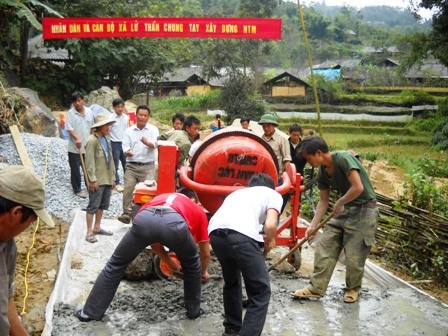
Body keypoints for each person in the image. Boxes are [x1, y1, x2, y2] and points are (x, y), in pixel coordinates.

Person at [75, 188, 211, 322]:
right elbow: (205, 253)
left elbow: (155, 244)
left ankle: (89, 313)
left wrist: (172, 265)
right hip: (175, 225)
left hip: (145, 218)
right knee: (192, 266)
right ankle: (194, 312)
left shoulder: (160, 198)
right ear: (193, 200)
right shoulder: (196, 209)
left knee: (116, 264)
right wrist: (202, 272)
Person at [290, 136, 378, 303]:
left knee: (354, 253)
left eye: (309, 158)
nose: (308, 163)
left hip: (364, 210)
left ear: (318, 152)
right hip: (344, 210)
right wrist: (312, 226)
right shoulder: (322, 171)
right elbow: (323, 201)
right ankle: (316, 288)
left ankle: (352, 288)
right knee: (325, 244)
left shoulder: (343, 158)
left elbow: (358, 187)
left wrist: (340, 202)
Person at [208, 173, 281, 336]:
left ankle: (231, 329)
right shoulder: (273, 194)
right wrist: (271, 238)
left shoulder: (237, 193)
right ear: (271, 187)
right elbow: (270, 225)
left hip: (215, 235)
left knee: (232, 282)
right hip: (241, 237)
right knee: (261, 291)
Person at [0, 165, 55, 335]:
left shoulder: (7, 246)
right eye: (31, 222)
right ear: (16, 213)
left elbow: (6, 301)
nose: (28, 228)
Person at [118, 105, 159, 224]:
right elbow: (125, 146)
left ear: (148, 117)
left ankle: (146, 215)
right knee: (128, 189)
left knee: (147, 192)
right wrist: (127, 152)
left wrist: (147, 143)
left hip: (148, 166)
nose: (142, 117)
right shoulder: (129, 131)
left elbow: (156, 144)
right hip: (131, 165)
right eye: (140, 115)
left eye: (145, 115)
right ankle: (126, 213)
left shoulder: (153, 130)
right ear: (136, 116)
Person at [84, 113, 116, 243]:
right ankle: (89, 231)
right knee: (93, 205)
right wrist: (92, 179)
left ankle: (97, 227)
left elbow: (111, 159)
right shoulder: (92, 140)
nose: (108, 127)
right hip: (97, 179)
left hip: (106, 178)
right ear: (100, 126)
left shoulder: (107, 139)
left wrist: (112, 177)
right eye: (106, 125)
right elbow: (89, 162)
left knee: (102, 204)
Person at [65, 91, 94, 198]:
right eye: (74, 102)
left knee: (89, 167)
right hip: (74, 148)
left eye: (79, 100)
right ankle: (77, 189)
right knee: (75, 169)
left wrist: (92, 138)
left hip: (87, 146)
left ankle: (90, 185)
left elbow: (92, 127)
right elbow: (70, 129)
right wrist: (77, 138)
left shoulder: (89, 112)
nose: (77, 103)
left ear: (83, 100)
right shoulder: (70, 114)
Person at [110, 98, 129, 191]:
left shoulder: (126, 117)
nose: (120, 109)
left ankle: (128, 181)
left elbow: (127, 130)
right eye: (118, 107)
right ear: (114, 107)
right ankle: (116, 182)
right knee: (115, 164)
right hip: (114, 143)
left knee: (126, 163)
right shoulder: (110, 118)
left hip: (124, 143)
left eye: (122, 106)